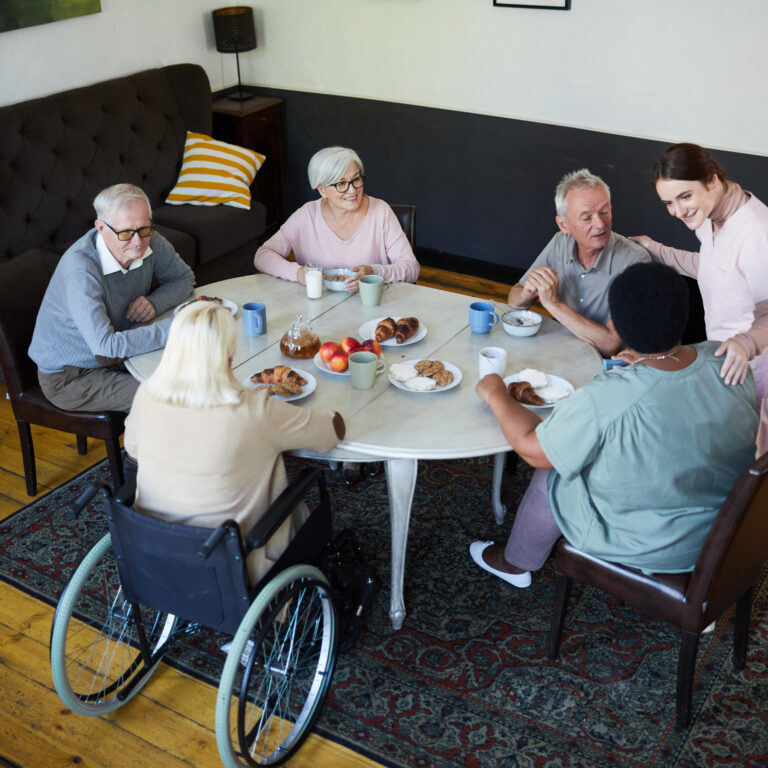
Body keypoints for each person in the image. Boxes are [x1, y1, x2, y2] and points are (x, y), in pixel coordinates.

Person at [471, 262, 757, 588]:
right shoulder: (728, 360)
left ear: (619, 324)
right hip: (727, 534)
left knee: (557, 469)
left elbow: (534, 449)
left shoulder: (608, 395)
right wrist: (650, 361)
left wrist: (496, 393)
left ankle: (515, 562)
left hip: (656, 546)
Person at [123, 301, 346, 583]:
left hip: (155, 552)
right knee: (301, 509)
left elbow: (133, 450)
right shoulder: (252, 410)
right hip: (232, 562)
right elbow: (330, 433)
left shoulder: (146, 395)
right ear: (228, 355)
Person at [631, 142, 768, 455]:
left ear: (711, 180)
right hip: (726, 360)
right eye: (668, 202)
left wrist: (744, 344)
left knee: (755, 471)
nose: (678, 211)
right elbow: (712, 267)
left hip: (757, 365)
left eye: (685, 196)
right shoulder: (711, 216)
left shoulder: (758, 234)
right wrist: (655, 249)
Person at [28, 183, 195, 413]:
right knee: (165, 398)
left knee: (196, 372)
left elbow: (184, 278)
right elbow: (105, 349)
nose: (137, 241)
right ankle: (139, 449)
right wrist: (176, 328)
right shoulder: (81, 270)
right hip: (70, 376)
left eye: (145, 229)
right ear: (101, 227)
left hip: (118, 351)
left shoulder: (150, 240)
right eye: (126, 233)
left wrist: (155, 303)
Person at [507, 169, 650, 357]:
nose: (600, 224)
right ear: (564, 225)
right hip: (559, 348)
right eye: (587, 217)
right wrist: (527, 293)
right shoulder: (560, 242)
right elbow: (513, 301)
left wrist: (553, 304)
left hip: (607, 364)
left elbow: (610, 344)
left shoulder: (635, 261)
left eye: (604, 212)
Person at [254, 146, 420, 291]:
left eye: (356, 179)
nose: (352, 190)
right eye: (341, 184)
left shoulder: (380, 212)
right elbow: (263, 255)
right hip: (318, 309)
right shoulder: (307, 216)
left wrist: (374, 272)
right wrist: (298, 273)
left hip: (374, 308)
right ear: (322, 190)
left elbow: (412, 268)